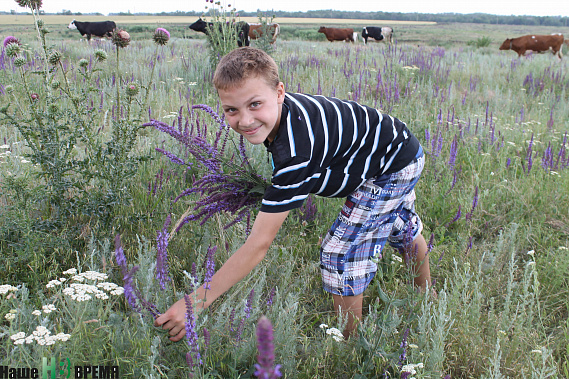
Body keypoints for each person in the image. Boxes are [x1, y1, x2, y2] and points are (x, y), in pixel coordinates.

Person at [155, 47, 432, 341]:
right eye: (231, 110)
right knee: (399, 225)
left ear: (279, 93)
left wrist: (195, 302)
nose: (245, 121)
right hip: (394, 148)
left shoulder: (296, 152)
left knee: (340, 252)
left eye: (255, 104)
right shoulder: (285, 116)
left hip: (391, 164)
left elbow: (259, 244)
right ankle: (427, 299)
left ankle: (352, 343)